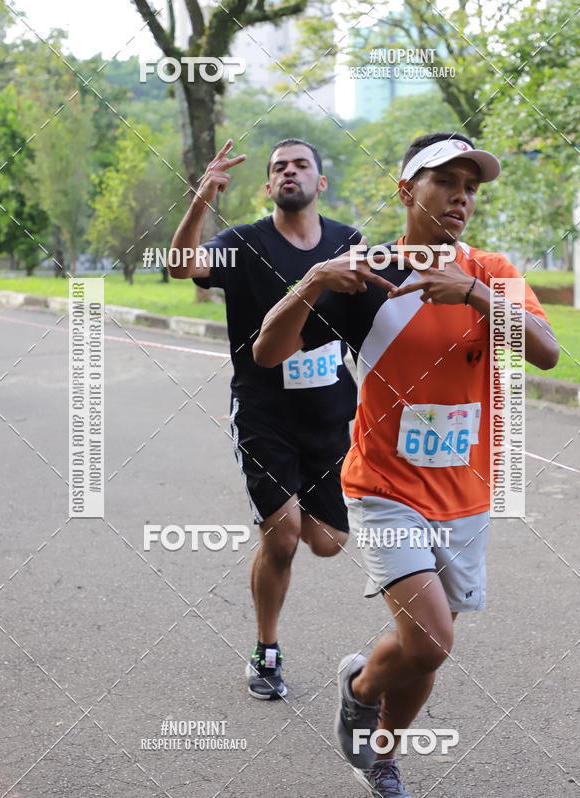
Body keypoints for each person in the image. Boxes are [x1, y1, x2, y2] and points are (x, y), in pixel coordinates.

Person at [253, 131, 559, 796]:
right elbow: (267, 353)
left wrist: (473, 294)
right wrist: (310, 281)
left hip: (466, 493)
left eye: (471, 187)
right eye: (445, 181)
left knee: (425, 647)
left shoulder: (494, 272)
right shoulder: (366, 276)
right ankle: (362, 686)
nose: (461, 197)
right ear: (406, 190)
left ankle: (380, 750)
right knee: (431, 640)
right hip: (384, 487)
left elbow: (545, 352)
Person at [169, 137, 361, 700]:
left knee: (326, 542)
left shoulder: (349, 241)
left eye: (302, 163)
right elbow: (183, 266)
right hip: (263, 413)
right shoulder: (244, 243)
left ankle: (288, 510)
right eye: (279, 168)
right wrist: (202, 197)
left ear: (320, 182)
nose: (289, 172)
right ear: (268, 185)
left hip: (328, 416)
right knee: (283, 537)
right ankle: (267, 649)